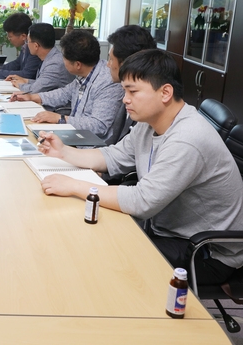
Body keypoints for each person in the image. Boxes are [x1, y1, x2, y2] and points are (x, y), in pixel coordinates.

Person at [38, 49, 243, 284]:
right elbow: (114, 157)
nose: (125, 98)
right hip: (169, 231)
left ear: (165, 92)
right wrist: (63, 152)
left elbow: (142, 202)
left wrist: (74, 186)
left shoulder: (187, 138)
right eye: (125, 90)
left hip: (206, 252)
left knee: (103, 253)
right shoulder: (151, 122)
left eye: (132, 91)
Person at [13, 29, 125, 144]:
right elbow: (64, 93)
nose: (62, 60)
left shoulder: (108, 82)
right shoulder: (85, 73)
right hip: (74, 136)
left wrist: (60, 119)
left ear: (77, 65)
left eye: (64, 57)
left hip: (90, 146)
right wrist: (33, 97)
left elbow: (99, 125)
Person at [107, 25, 157, 141]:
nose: (108, 64)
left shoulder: (147, 107)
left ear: (127, 63)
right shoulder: (127, 91)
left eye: (111, 59)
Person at [5, 23, 73, 94]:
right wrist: (26, 81)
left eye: (28, 41)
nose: (27, 44)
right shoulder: (50, 57)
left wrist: (20, 85)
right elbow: (44, 83)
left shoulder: (55, 64)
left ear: (36, 46)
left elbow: (34, 90)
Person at [0, 12, 42, 79]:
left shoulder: (34, 48)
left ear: (23, 36)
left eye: (10, 36)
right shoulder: (25, 44)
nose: (8, 39)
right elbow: (17, 63)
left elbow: (27, 74)